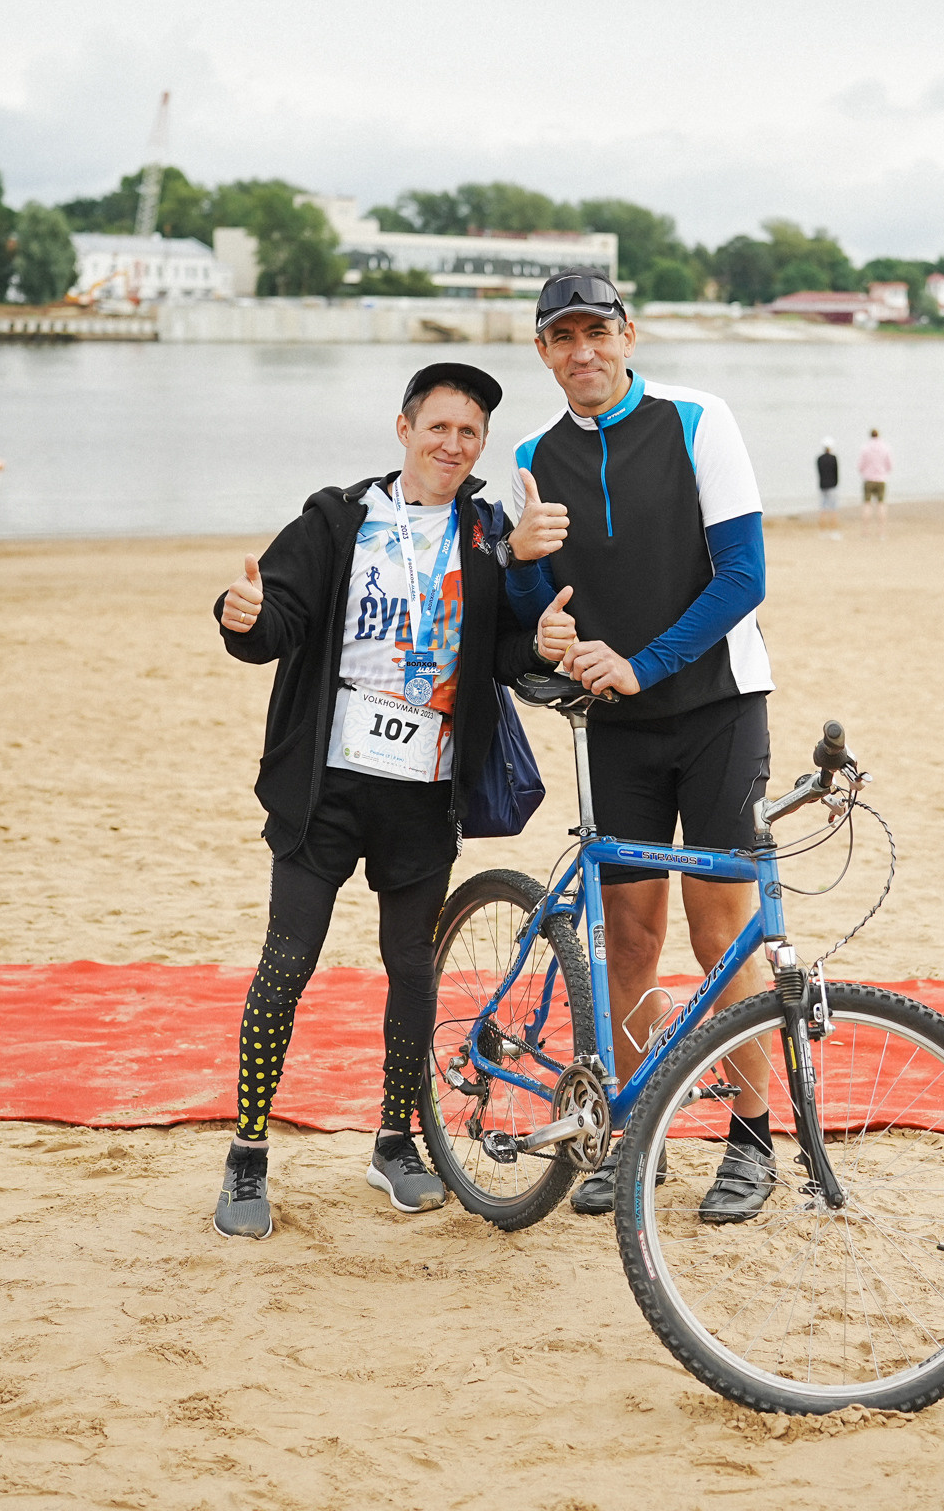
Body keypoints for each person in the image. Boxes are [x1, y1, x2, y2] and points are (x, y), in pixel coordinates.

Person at [209, 361, 540, 1238]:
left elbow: (506, 651)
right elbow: (277, 617)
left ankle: (394, 1142)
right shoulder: (337, 518)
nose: (453, 445)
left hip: (425, 788)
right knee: (287, 963)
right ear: (404, 429)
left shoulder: (486, 534)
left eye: (469, 434)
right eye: (439, 427)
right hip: (330, 784)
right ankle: (246, 1156)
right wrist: (241, 614)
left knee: (413, 971)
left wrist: (542, 637)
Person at [502, 269, 778, 1223]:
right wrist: (528, 593)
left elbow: (745, 577)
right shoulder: (532, 457)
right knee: (629, 937)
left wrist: (646, 662)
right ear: (542, 352)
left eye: (597, 331)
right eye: (561, 337)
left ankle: (751, 1138)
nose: (583, 351)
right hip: (611, 725)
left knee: (720, 930)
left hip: (717, 707)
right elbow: (541, 608)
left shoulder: (700, 418)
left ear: (629, 332)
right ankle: (634, 1137)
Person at [856, 426, 892, 538]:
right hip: (881, 479)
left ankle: (865, 532)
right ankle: (881, 532)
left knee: (867, 505)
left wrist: (866, 472)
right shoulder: (885, 447)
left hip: (868, 479)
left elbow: (860, 466)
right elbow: (890, 465)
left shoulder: (865, 448)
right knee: (881, 505)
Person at [815, 436, 842, 537]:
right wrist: (836, 483)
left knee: (823, 509)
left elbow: (819, 472)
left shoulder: (819, 459)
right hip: (832, 486)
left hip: (822, 486)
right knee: (833, 509)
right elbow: (836, 473)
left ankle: (822, 531)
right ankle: (834, 531)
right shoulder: (833, 458)